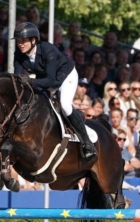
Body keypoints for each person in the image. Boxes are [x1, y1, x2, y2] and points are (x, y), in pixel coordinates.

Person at [12, 22, 96, 161]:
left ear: (33, 40)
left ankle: (87, 143)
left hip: (65, 76)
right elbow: (17, 79)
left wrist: (29, 81)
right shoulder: (19, 54)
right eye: (18, 41)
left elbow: (52, 81)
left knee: (65, 105)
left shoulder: (48, 50)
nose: (20, 44)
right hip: (44, 78)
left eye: (23, 41)